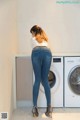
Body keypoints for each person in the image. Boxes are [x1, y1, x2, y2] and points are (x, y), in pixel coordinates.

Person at [30, 25, 53, 118]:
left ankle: (35, 108)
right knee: (45, 81)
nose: (31, 35)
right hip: (47, 52)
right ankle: (49, 108)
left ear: (34, 32)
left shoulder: (33, 39)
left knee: (37, 80)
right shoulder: (45, 40)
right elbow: (44, 48)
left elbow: (34, 48)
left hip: (36, 53)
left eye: (32, 33)